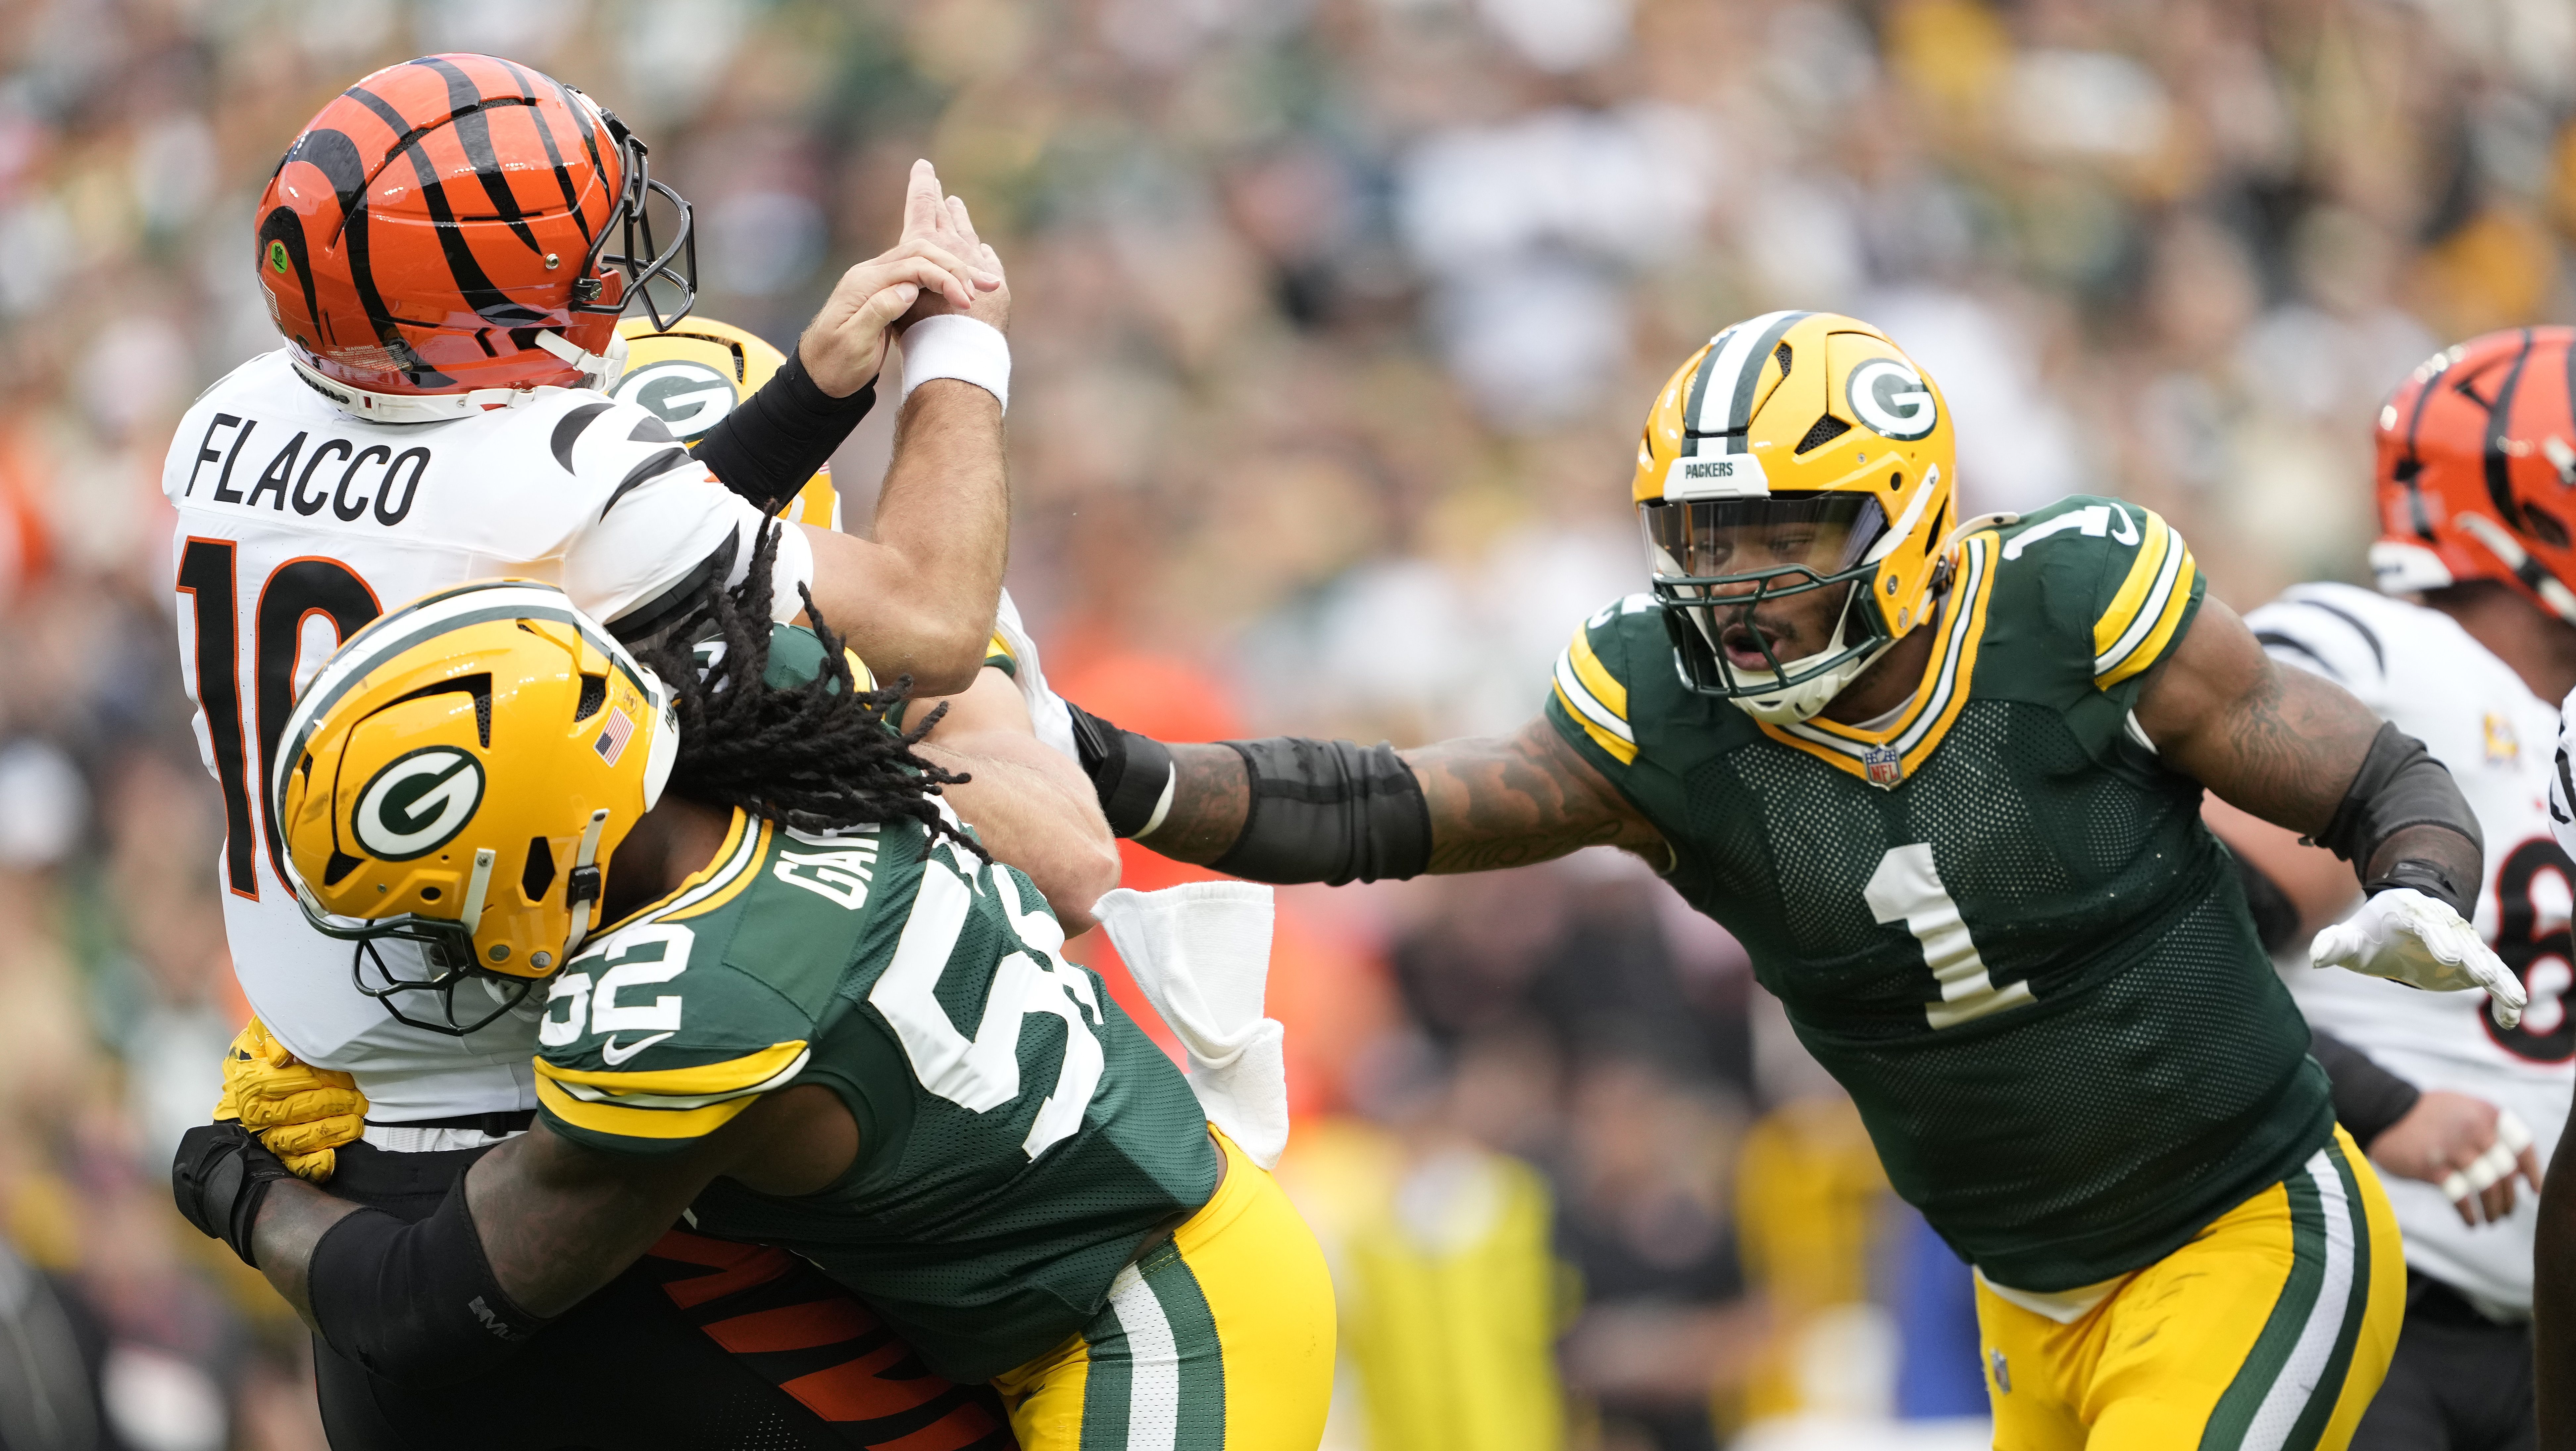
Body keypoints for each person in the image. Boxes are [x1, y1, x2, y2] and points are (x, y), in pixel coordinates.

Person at [1063, 311, 2535, 1449]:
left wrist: (2421, 877)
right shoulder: (1665, 722)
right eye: (1704, 537)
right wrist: (1118, 767)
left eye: (1781, 532)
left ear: (1898, 519)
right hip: (2024, 1287)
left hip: (2247, 1223)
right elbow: (1380, 808)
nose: (1736, 579)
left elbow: (2366, 772)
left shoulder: (2066, 608)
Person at [170, 53, 1030, 1446]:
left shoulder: (232, 422)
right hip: (584, 1157)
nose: (603, 270)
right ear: (492, 306)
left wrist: (807, 399)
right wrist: (962, 349)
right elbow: (931, 619)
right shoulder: (549, 461)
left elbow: (556, 562)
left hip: (346, 1138)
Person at [174, 547, 1338, 1451]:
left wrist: (234, 1187)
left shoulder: (689, 1008)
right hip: (1107, 1252)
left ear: (536, 856)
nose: (423, 946)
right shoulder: (774, 719)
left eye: (429, 906)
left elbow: (431, 1312)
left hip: (1145, 1321)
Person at [2205, 327, 2574, 1451]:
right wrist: (2380, 1102)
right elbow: (2157, 937)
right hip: (2351, 1301)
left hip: (2534, 1338)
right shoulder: (2380, 654)